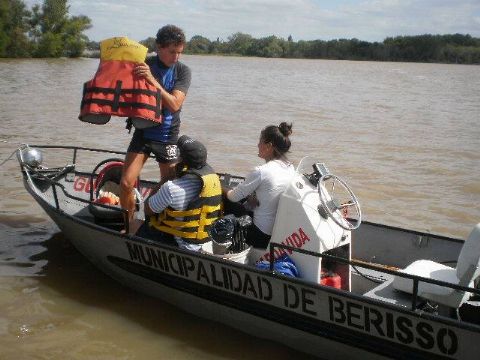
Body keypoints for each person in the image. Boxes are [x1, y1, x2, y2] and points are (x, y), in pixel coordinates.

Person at [120, 25, 192, 221]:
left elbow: (175, 104)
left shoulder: (183, 71)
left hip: (167, 134)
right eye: (172, 52)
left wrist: (151, 79)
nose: (176, 57)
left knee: (168, 184)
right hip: (143, 131)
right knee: (126, 183)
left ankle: (148, 213)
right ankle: (128, 225)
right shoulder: (144, 63)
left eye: (179, 52)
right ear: (158, 47)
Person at [136, 135, 222, 251]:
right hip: (206, 243)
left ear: (180, 160)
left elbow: (147, 209)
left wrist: (165, 178)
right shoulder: (214, 180)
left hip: (184, 246)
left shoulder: (172, 188)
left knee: (135, 223)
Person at [224, 122, 295, 250]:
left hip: (259, 233)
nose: (257, 145)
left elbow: (233, 197)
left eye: (260, 141)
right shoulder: (290, 168)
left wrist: (219, 186)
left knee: (225, 197)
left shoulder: (261, 171)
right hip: (275, 230)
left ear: (269, 146)